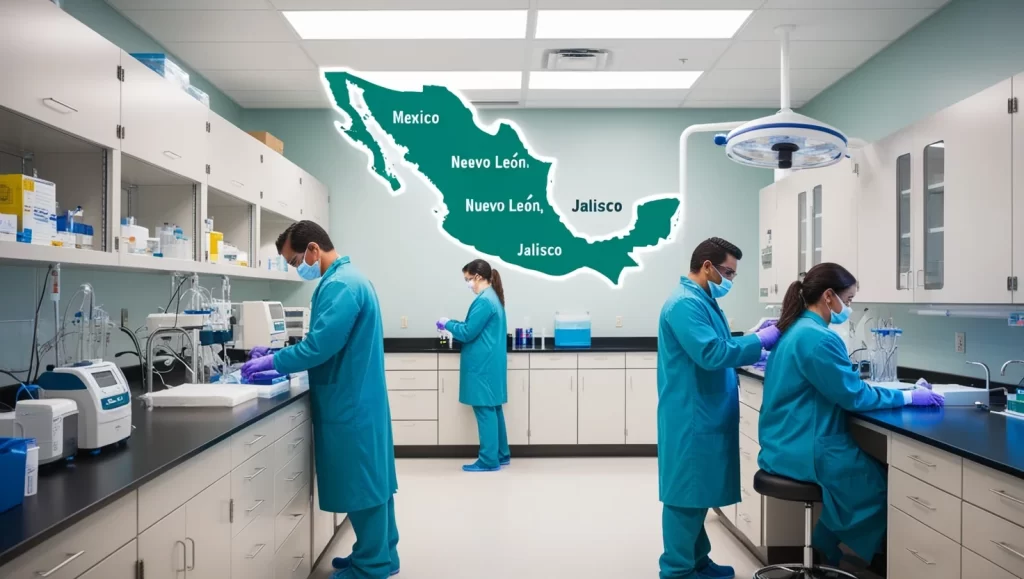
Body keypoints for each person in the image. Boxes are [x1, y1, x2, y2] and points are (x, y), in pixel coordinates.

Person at [241, 221, 399, 579]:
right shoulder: (350, 279)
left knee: (361, 484)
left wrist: (273, 362)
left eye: (296, 261)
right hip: (358, 397)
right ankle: (382, 553)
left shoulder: (341, 285)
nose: (298, 269)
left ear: (313, 249)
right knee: (374, 479)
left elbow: (319, 346)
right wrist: (280, 353)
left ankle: (372, 566)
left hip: (350, 402)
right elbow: (326, 339)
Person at [758, 262, 944, 567]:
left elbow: (836, 383)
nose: (850, 307)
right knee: (882, 486)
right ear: (829, 296)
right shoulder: (818, 337)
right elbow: (854, 395)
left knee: (866, 477)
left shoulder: (795, 329)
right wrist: (910, 396)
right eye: (850, 299)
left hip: (782, 443)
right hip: (807, 448)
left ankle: (829, 545)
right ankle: (828, 547)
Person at [657, 237, 782, 579]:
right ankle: (677, 569)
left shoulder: (701, 300)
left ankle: (698, 560)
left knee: (696, 493)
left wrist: (752, 336)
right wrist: (761, 341)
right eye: (728, 272)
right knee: (685, 495)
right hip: (691, 415)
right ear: (707, 266)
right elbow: (712, 353)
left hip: (703, 412)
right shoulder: (684, 303)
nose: (730, 279)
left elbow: (721, 343)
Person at [436, 259, 510, 472]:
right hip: (491, 363)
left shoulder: (485, 300)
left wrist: (447, 323)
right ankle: (501, 454)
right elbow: (473, 327)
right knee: (494, 408)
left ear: (478, 277)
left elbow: (468, 332)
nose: (468, 284)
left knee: (485, 410)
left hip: (482, 366)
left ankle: (488, 460)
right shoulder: (493, 298)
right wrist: (454, 324)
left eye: (468, 279)